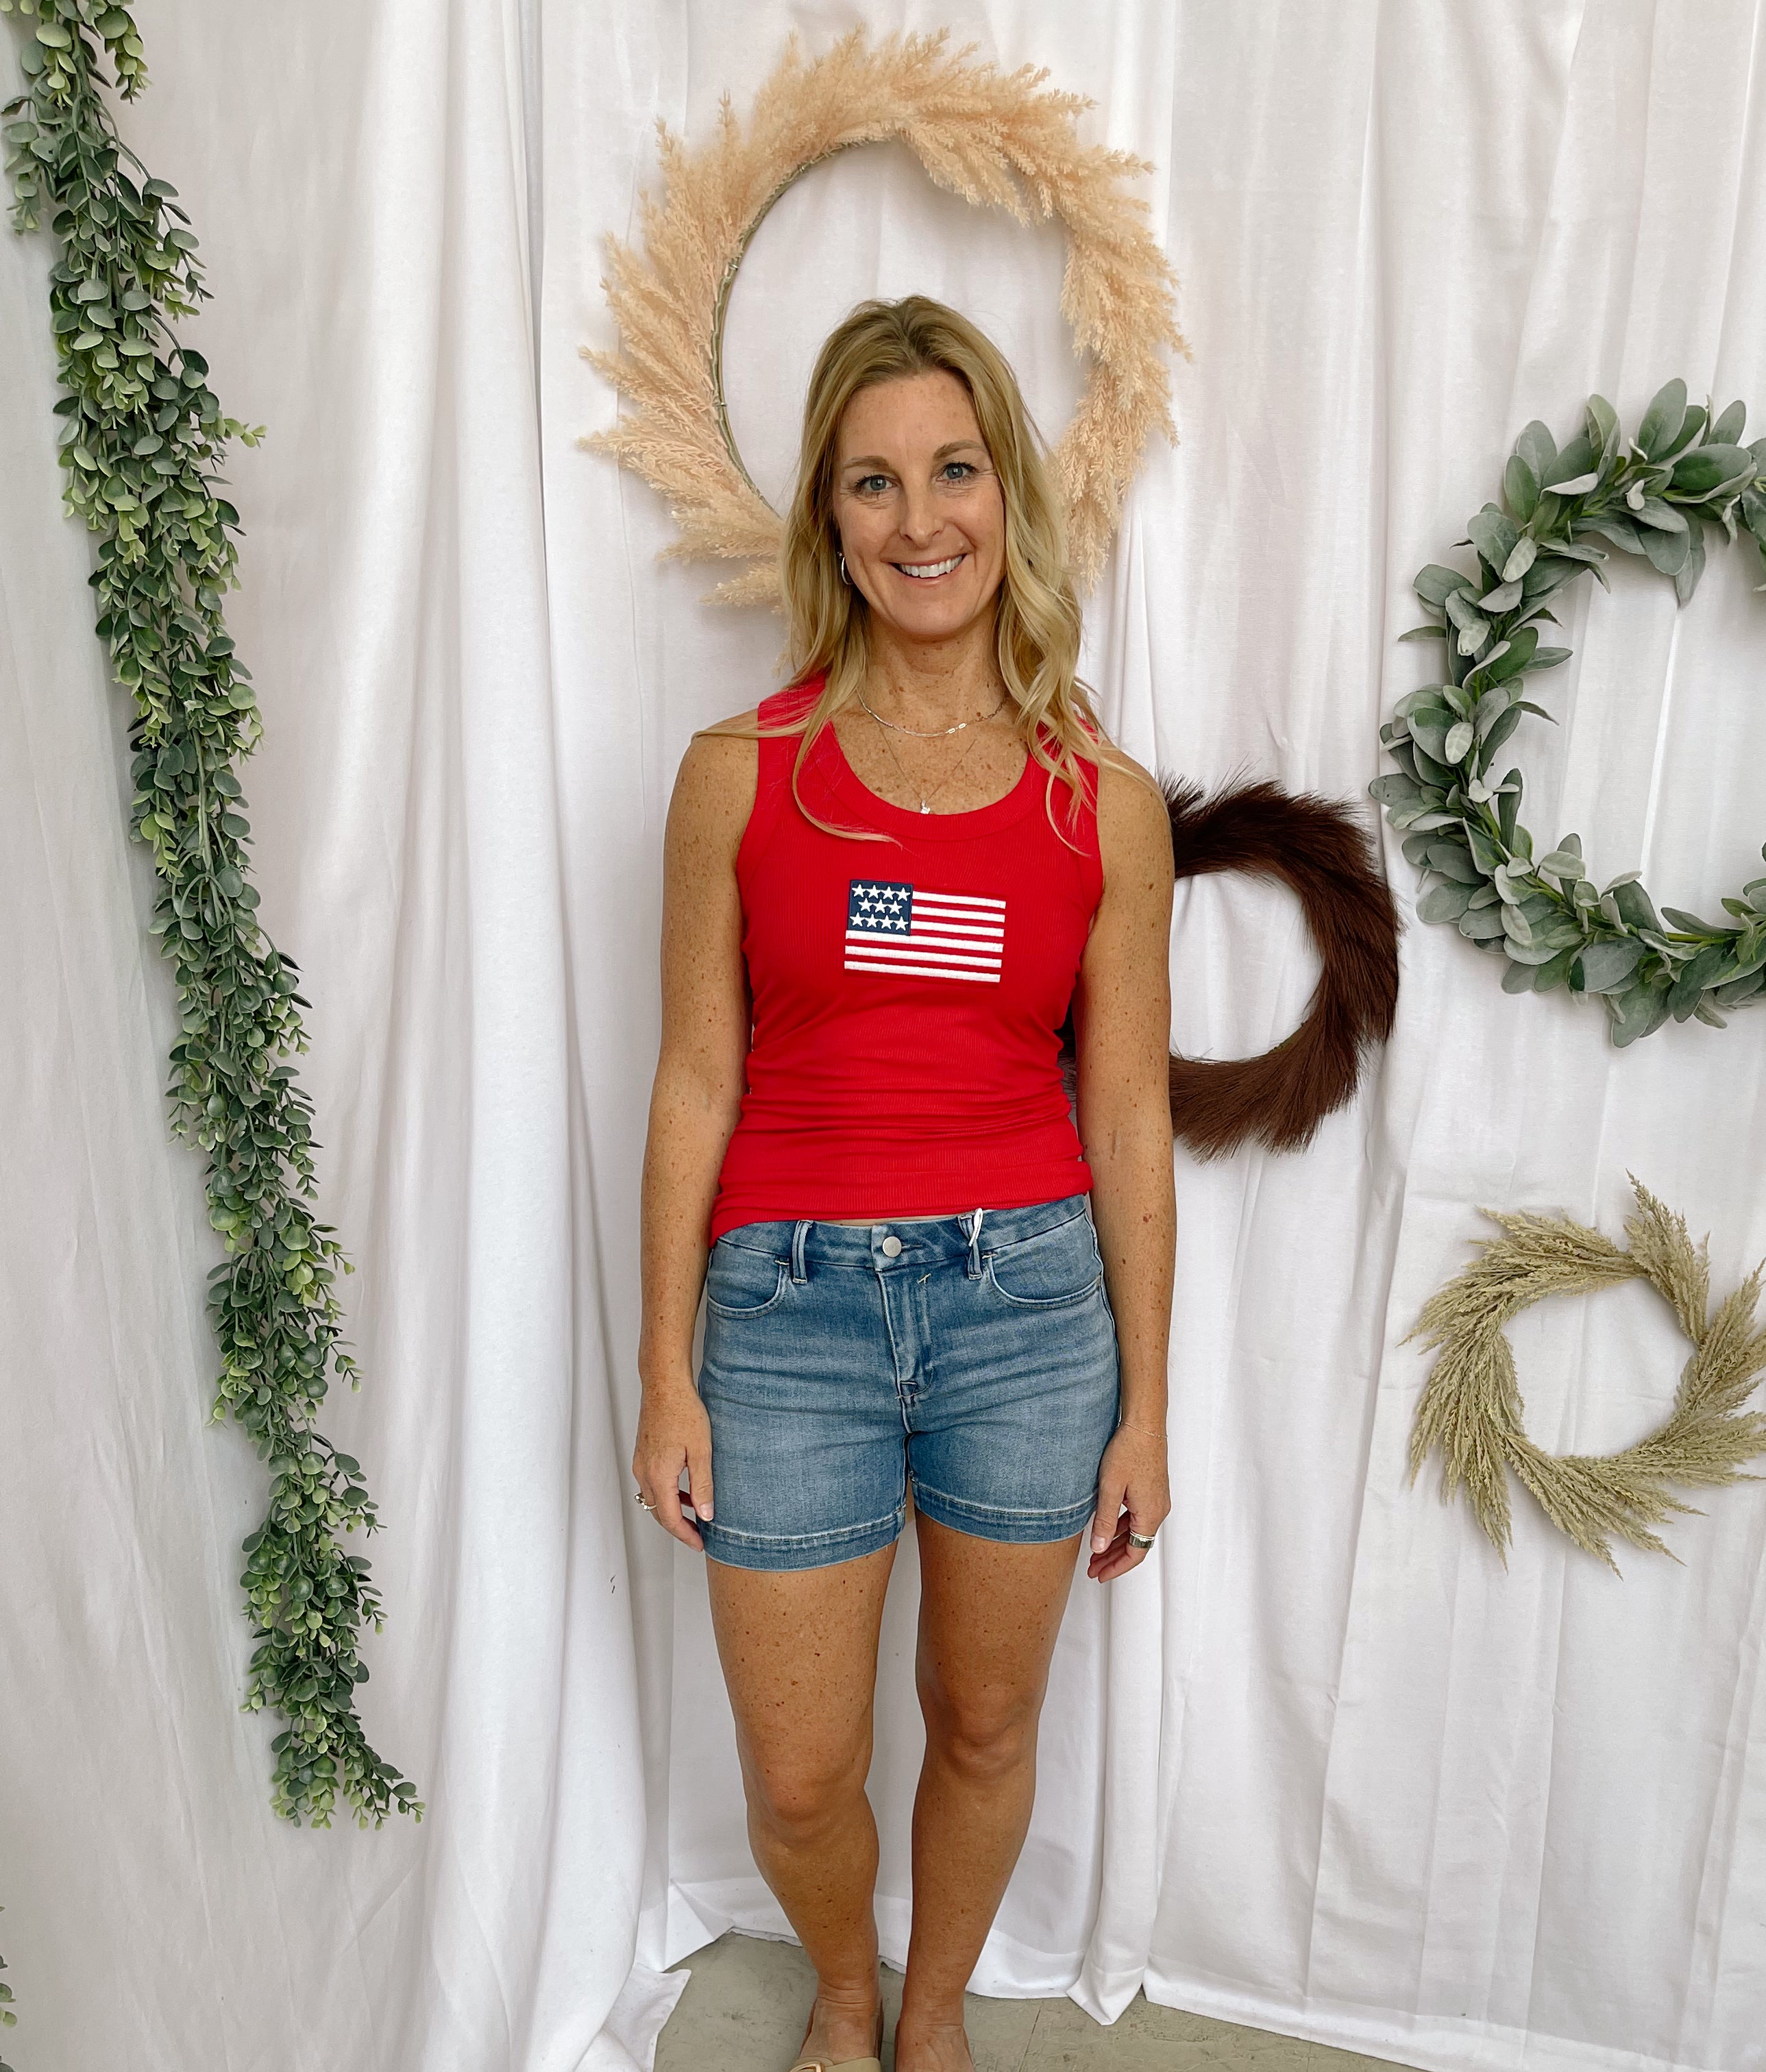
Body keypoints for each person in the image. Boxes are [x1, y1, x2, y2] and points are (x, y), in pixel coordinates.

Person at [632, 294, 1176, 2072]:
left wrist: (1146, 1407)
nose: (919, 520)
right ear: (828, 519)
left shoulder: (1107, 802)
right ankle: (842, 1993)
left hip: (1028, 1312)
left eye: (954, 470)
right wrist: (662, 1373)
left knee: (984, 1718)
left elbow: (1129, 1118)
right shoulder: (737, 779)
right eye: (873, 483)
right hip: (783, 1321)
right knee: (798, 1772)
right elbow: (697, 1078)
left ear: (1009, 496)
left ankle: (928, 2017)